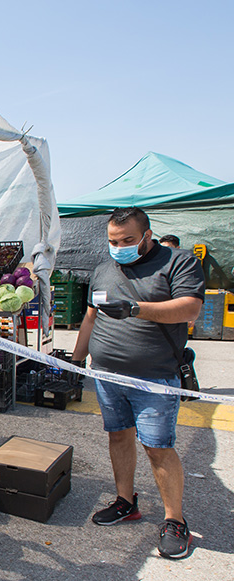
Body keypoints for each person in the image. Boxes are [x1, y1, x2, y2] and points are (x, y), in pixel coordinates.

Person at [72, 207, 204, 559]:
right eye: (113, 241)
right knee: (118, 436)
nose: (120, 247)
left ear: (147, 234)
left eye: (128, 240)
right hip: (107, 374)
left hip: (155, 377)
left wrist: (135, 309)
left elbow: (190, 309)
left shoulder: (179, 262)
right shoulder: (103, 269)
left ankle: (175, 520)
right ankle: (125, 500)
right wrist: (75, 359)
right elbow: (89, 317)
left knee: (158, 447)